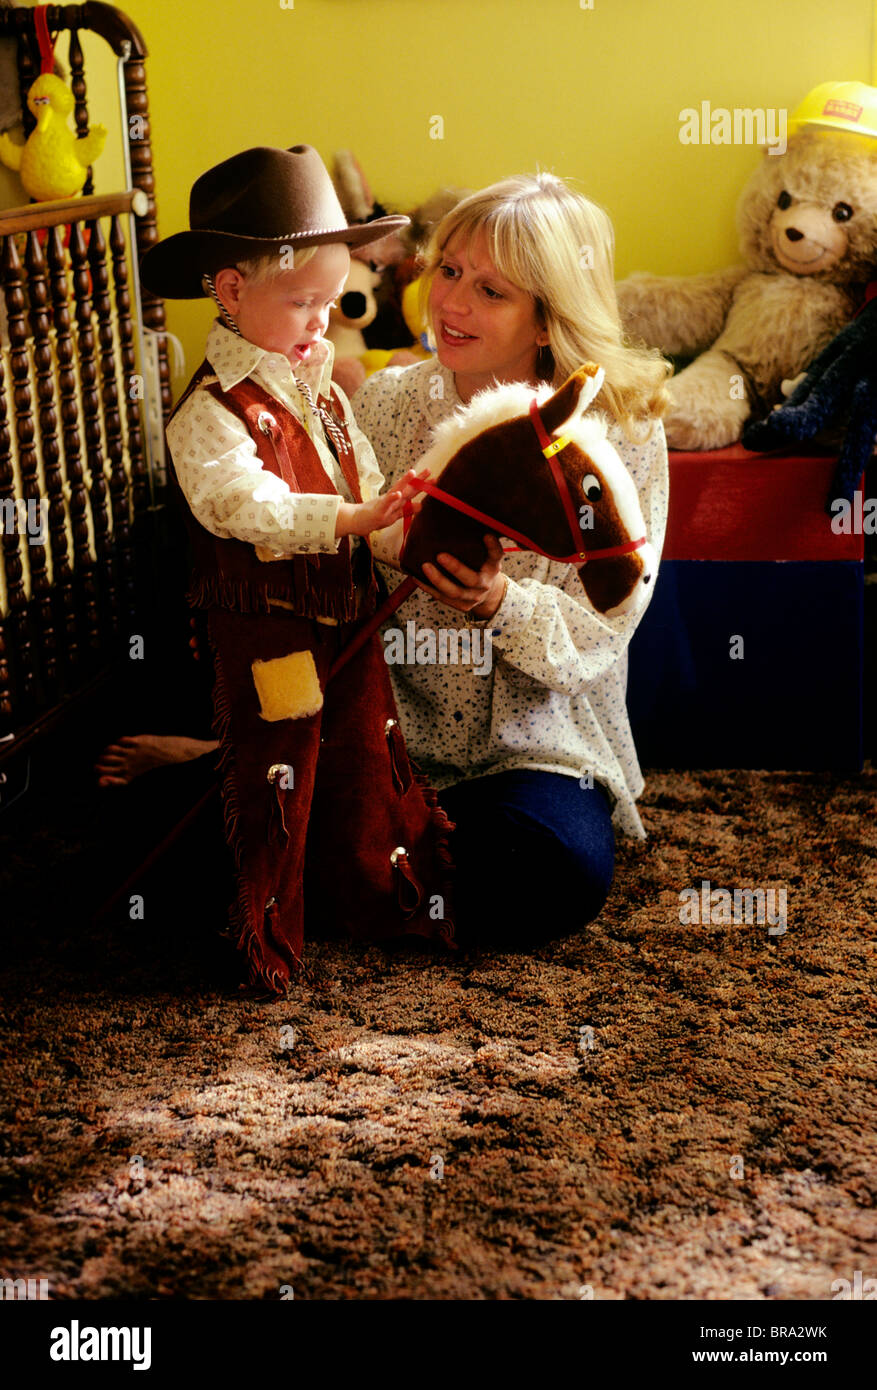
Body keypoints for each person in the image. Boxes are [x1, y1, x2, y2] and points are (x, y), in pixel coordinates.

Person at [139, 145, 455, 997]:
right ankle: (264, 932)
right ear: (232, 290)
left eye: (330, 298)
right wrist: (353, 521)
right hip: (272, 630)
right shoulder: (211, 411)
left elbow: (367, 493)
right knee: (280, 771)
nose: (323, 320)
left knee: (361, 754)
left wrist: (397, 532)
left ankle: (369, 899)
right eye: (302, 302)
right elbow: (248, 508)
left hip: (342, 613)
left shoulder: (324, 393)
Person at [353, 173, 670, 948]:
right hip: (381, 729)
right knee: (192, 829)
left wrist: (498, 603)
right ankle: (370, 862)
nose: (450, 303)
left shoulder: (619, 437)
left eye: (490, 291)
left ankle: (362, 874)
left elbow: (605, 627)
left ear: (543, 320)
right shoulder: (385, 403)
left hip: (536, 742)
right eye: (449, 272)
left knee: (553, 867)